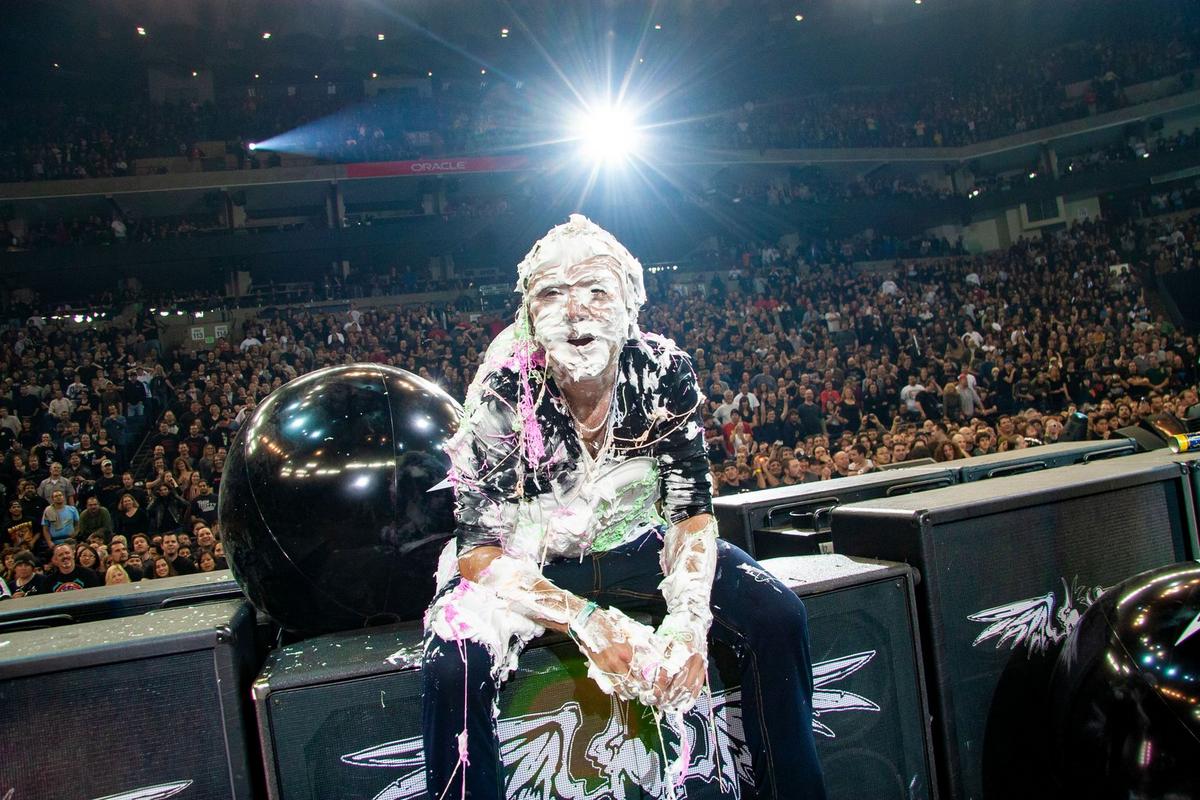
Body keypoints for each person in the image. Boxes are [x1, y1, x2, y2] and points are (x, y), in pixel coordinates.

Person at [421, 215, 825, 800]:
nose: (575, 312)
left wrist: (689, 620)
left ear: (629, 305)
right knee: (453, 662)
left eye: (595, 291)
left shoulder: (664, 371)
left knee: (778, 616)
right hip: (529, 563)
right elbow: (479, 551)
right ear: (529, 312)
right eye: (551, 293)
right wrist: (585, 620)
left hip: (636, 543)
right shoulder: (504, 389)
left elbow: (690, 511)